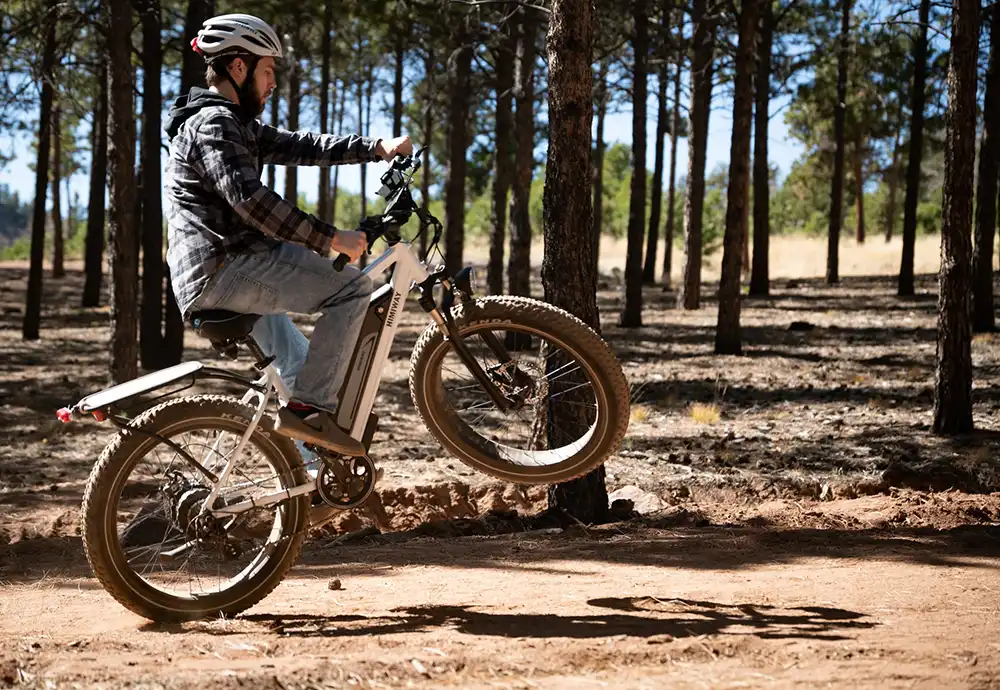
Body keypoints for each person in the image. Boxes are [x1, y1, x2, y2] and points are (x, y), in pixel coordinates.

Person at [164, 14, 412, 456]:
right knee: (353, 289)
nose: (273, 81)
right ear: (238, 68)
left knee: (296, 366)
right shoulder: (214, 125)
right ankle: (311, 415)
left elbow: (302, 145)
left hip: (225, 267)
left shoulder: (232, 124)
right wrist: (330, 238)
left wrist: (375, 147)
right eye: (267, 70)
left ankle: (304, 474)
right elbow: (251, 202)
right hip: (223, 269)